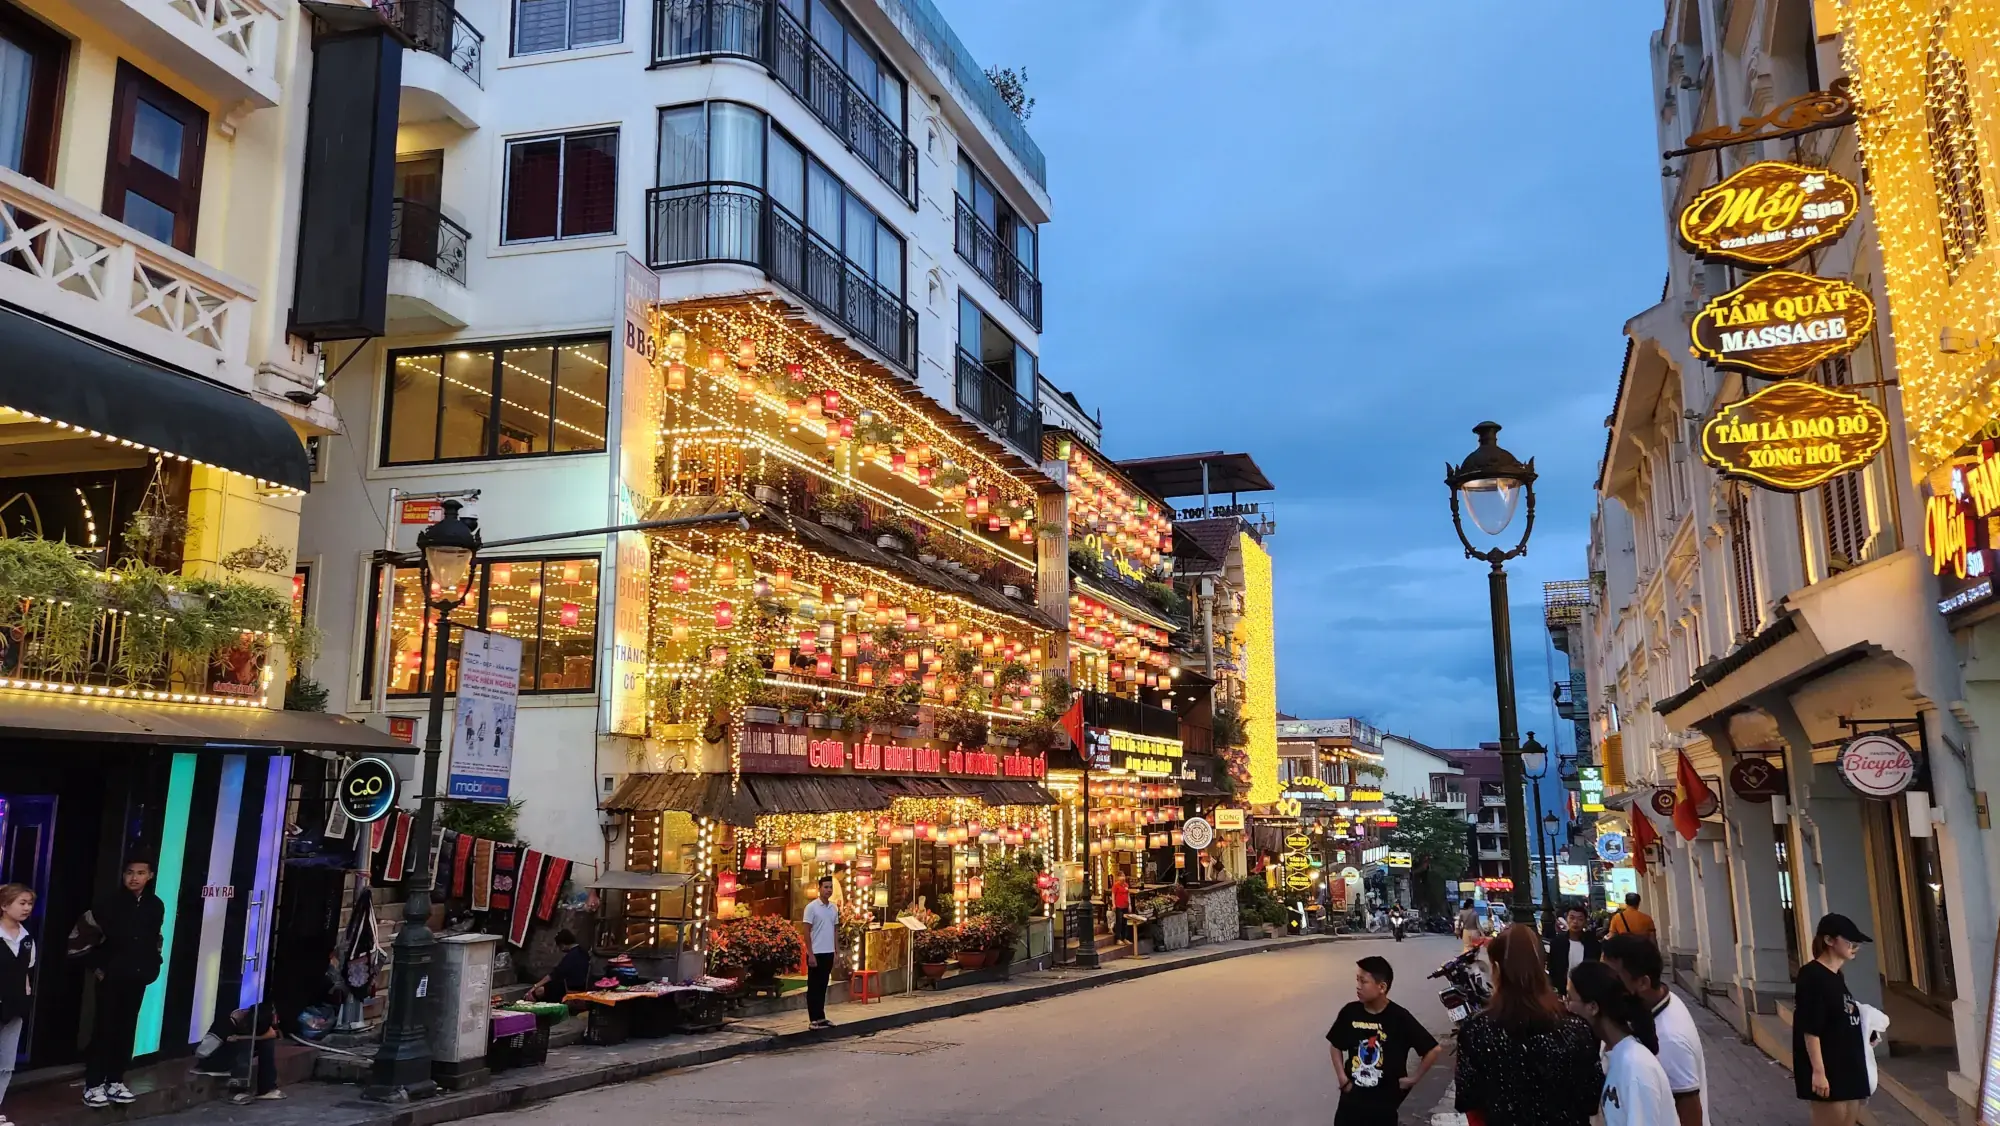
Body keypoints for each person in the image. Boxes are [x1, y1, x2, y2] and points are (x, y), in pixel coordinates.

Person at [1453, 924, 1601, 1126]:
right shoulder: (1576, 1028)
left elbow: (1467, 1099)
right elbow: (1591, 1100)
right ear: (1542, 967)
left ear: (1495, 969)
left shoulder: (1476, 1029)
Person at [81, 859, 164, 1109]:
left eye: (140, 873)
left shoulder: (154, 904)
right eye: (129, 873)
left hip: (138, 975)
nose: (134, 878)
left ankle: (115, 1080)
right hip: (112, 975)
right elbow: (83, 936)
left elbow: (156, 938)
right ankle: (93, 1084)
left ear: (150, 875)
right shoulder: (108, 904)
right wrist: (99, 968)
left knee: (127, 1028)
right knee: (105, 1027)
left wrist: (153, 966)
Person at [1603, 934, 1708, 1126]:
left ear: (1643, 982)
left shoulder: (1668, 1037)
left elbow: (1689, 1112)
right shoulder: (1656, 1004)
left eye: (1613, 977)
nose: (1604, 984)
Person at [1327, 955, 1441, 1126]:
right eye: (1357, 980)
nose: (1358, 986)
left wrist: (1413, 1079)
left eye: (1363, 982)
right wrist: (1342, 1078)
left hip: (1384, 1106)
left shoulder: (1399, 1017)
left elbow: (1433, 1050)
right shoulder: (1350, 1012)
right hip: (1351, 1103)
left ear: (1382, 987)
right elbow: (1335, 1045)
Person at [1567, 960, 1677, 1126]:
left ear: (1592, 1007)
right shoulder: (1609, 1051)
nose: (1566, 1007)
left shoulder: (1636, 1069)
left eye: (1569, 998)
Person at [1796, 913, 1873, 1125]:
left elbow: (1840, 1016)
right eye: (1849, 941)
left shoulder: (1836, 976)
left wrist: (1867, 1032)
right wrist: (1819, 1072)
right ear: (1829, 940)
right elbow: (1811, 1027)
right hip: (1831, 1072)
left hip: (1849, 1069)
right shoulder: (1812, 975)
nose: (1855, 946)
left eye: (1857, 942)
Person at [0, 884, 35, 1124]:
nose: (27, 908)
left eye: (29, 903)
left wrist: (25, 994)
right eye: (21, 903)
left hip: (14, 1008)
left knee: (5, 1064)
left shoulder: (26, 939)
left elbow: (26, 971)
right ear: (4, 905)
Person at [803, 875, 839, 1030]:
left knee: (823, 985)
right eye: (825, 887)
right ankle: (814, 1019)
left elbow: (835, 930)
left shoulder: (833, 908)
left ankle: (821, 1017)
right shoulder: (811, 907)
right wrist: (810, 953)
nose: (828, 890)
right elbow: (806, 931)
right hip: (816, 952)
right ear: (819, 888)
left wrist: (836, 952)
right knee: (814, 986)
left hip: (828, 952)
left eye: (830, 887)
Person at [1546, 904, 1601, 995]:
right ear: (1566, 919)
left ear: (1585, 922)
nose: (1575, 922)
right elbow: (1553, 967)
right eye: (1572, 918)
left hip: (1585, 990)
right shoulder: (1557, 943)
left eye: (1580, 919)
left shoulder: (1592, 944)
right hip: (1562, 989)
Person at [526, 930, 590, 1003]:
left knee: (540, 991)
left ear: (562, 945)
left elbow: (554, 975)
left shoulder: (571, 956)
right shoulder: (583, 952)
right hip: (581, 986)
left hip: (571, 988)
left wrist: (535, 986)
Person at [1110, 874, 1131, 940]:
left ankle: (1124, 938)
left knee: (1125, 922)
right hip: (1119, 906)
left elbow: (1128, 895)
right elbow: (1113, 895)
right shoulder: (1116, 885)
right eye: (1121, 880)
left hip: (1125, 905)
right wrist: (1113, 904)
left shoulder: (1126, 885)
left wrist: (1129, 904)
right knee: (1119, 922)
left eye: (1124, 880)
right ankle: (1118, 938)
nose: (1123, 881)